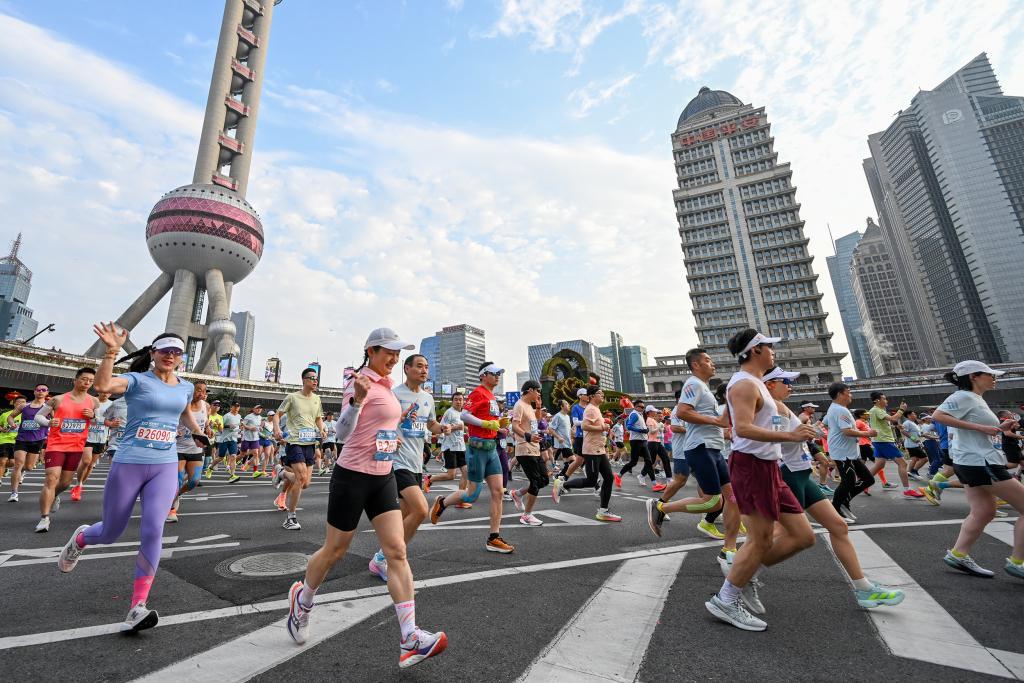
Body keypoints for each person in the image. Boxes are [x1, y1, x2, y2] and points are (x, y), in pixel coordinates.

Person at [285, 329, 447, 668]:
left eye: (397, 354)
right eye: (389, 352)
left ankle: (410, 637)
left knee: (397, 551)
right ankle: (303, 599)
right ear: (371, 350)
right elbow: (341, 433)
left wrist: (392, 438)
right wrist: (357, 401)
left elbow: (380, 428)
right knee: (335, 550)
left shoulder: (387, 387)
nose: (394, 359)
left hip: (383, 476)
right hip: (353, 477)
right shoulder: (358, 383)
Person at [57, 324, 199, 632]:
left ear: (180, 357)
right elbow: (103, 385)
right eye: (165, 351)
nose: (170, 356)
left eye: (175, 352)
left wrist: (198, 431)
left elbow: (184, 412)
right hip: (130, 461)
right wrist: (110, 352)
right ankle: (81, 538)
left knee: (153, 530)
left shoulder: (185, 386)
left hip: (164, 463)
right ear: (153, 354)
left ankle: (137, 606)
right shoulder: (136, 380)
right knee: (111, 531)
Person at [704, 329, 818, 632]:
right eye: (769, 347)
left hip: (769, 467)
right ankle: (726, 599)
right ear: (755, 350)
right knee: (761, 539)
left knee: (804, 536)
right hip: (751, 467)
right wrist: (789, 436)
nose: (773, 352)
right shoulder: (742, 384)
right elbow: (741, 428)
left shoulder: (757, 384)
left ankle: (746, 571)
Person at [769, 370, 905, 607]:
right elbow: (774, 439)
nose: (791, 386)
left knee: (838, 526)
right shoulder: (772, 408)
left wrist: (817, 452)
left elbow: (800, 439)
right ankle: (740, 573)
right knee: (783, 534)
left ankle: (863, 588)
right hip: (789, 474)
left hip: (802, 473)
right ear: (770, 384)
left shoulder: (783, 406)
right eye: (786, 382)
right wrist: (799, 434)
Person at [932, 361, 1024, 579]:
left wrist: (997, 428)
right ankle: (1018, 562)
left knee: (983, 511)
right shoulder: (963, 395)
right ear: (974, 376)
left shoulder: (975, 398)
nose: (994, 378)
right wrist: (980, 427)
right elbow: (938, 416)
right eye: (990, 374)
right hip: (980, 462)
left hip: (972, 460)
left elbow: (973, 427)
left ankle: (958, 554)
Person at [647, 348, 738, 553]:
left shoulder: (704, 388)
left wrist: (726, 430)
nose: (712, 363)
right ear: (696, 364)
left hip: (714, 448)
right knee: (713, 501)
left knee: (732, 498)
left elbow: (711, 421)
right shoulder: (693, 383)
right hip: (700, 447)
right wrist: (717, 421)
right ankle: (660, 507)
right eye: (708, 360)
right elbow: (683, 411)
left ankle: (729, 548)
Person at [368, 353, 448, 581]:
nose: (424, 371)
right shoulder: (394, 394)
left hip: (416, 463)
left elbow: (430, 424)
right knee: (421, 510)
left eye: (426, 367)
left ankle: (382, 558)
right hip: (397, 461)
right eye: (419, 366)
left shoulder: (428, 398)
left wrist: (443, 428)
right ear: (407, 368)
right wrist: (390, 440)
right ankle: (389, 559)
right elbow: (381, 422)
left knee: (403, 516)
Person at [429, 362, 514, 553]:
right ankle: (442, 502)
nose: (497, 376)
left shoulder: (492, 396)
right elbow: (465, 416)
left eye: (499, 373)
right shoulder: (478, 392)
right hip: (477, 449)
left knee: (498, 492)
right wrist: (487, 424)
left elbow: (489, 423)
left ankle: (494, 537)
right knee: (472, 495)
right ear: (483, 375)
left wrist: (499, 426)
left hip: (491, 449)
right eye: (494, 373)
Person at [33, 367, 100, 532]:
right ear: (75, 379)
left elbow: (97, 422)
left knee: (65, 483)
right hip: (56, 444)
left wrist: (92, 416)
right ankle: (44, 518)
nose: (87, 383)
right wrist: (48, 422)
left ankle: (54, 496)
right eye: (84, 379)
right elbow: (38, 416)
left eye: (91, 381)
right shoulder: (58, 399)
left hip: (76, 446)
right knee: (51, 478)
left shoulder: (93, 401)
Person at [555, 386, 621, 521]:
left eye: (602, 393)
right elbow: (584, 426)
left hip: (599, 449)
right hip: (591, 450)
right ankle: (563, 484)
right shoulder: (590, 409)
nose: (602, 395)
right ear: (591, 396)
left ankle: (603, 511)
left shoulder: (595, 409)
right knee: (591, 480)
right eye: (599, 393)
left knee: (608, 478)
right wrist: (602, 427)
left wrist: (604, 428)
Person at [273, 369, 326, 531]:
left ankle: (281, 473)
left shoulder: (317, 399)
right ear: (304, 380)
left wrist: (322, 429)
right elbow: (277, 414)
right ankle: (291, 517)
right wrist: (276, 429)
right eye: (312, 378)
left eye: (316, 379)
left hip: (310, 442)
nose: (315, 381)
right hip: (294, 441)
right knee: (300, 478)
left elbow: (318, 418)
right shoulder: (292, 397)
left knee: (305, 484)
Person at [824, 382, 876, 522]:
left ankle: (842, 503)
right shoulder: (841, 410)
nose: (850, 395)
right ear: (840, 394)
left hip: (847, 452)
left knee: (867, 479)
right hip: (843, 453)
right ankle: (835, 508)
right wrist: (868, 433)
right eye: (849, 392)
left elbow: (825, 423)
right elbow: (846, 431)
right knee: (848, 482)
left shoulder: (834, 408)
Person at [507, 380, 550, 526]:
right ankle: (526, 516)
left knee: (544, 480)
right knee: (536, 482)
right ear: (530, 390)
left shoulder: (529, 406)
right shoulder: (519, 405)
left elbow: (535, 421)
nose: (539, 394)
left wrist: (538, 407)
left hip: (535, 448)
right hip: (524, 448)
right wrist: (528, 436)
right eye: (538, 391)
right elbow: (514, 426)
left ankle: (517, 494)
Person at [167, 380, 210, 523]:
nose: (201, 393)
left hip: (195, 449)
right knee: (177, 480)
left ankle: (176, 494)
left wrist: (208, 430)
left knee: (194, 481)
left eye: (204, 391)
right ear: (191, 391)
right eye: (198, 390)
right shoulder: (181, 404)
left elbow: (206, 423)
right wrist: (174, 431)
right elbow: (168, 421)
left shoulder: (206, 406)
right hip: (178, 448)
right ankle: (171, 509)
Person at [867, 392, 923, 499]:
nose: (886, 401)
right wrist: (901, 409)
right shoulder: (876, 410)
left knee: (879, 465)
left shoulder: (877, 411)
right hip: (884, 441)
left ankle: (863, 484)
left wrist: (894, 427)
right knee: (902, 464)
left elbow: (884, 424)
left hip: (879, 440)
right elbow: (893, 418)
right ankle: (907, 490)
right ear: (877, 400)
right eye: (884, 399)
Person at [6, 383, 50, 502]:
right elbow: (10, 417)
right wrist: (12, 424)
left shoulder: (48, 407)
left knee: (29, 467)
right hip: (22, 439)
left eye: (43, 390)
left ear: (47, 393)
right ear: (34, 392)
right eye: (38, 389)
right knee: (18, 464)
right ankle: (14, 493)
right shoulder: (24, 406)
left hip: (38, 440)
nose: (40, 391)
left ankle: (22, 472)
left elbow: (57, 420)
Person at [72, 390, 114, 502]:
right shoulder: (91, 401)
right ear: (99, 392)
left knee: (91, 465)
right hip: (87, 435)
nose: (105, 394)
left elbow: (113, 421)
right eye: (103, 392)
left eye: (108, 393)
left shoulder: (112, 405)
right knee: (86, 461)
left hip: (101, 437)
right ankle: (78, 484)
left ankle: (79, 485)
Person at [432, 393, 469, 505]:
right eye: (456, 400)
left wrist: (465, 428)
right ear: (452, 401)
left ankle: (460, 500)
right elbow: (442, 428)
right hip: (450, 447)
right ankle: (430, 479)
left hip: (461, 447)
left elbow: (462, 428)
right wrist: (455, 427)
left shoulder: (462, 414)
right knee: (451, 475)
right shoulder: (449, 412)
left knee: (466, 473)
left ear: (463, 401)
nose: (458, 402)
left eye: (460, 400)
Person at [616, 399, 656, 487]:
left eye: (643, 407)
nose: (643, 408)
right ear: (635, 407)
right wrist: (641, 430)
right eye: (641, 407)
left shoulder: (640, 415)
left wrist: (646, 430)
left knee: (649, 461)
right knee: (634, 462)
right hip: (636, 441)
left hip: (643, 441)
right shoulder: (634, 414)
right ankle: (619, 475)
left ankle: (654, 483)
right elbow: (629, 426)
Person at [646, 405, 671, 492]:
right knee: (651, 462)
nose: (655, 412)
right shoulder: (649, 419)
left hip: (658, 442)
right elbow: (651, 431)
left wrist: (661, 428)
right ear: (649, 412)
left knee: (666, 458)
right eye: (654, 411)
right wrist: (659, 427)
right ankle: (653, 482)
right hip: (652, 442)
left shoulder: (653, 419)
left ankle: (669, 479)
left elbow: (658, 430)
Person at [0, 396, 25, 486]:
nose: (22, 404)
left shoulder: (27, 415)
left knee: (12, 462)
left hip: (19, 441)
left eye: (24, 402)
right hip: (4, 439)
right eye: (19, 402)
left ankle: (6, 468)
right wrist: (2, 429)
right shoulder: (5, 415)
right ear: (14, 403)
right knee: (2, 461)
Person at [240, 405, 264, 477]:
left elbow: (258, 427)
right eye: (257, 408)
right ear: (254, 409)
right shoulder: (248, 416)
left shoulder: (260, 418)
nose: (259, 409)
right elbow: (242, 424)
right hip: (246, 438)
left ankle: (255, 471)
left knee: (256, 453)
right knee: (242, 454)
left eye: (260, 408)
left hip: (255, 438)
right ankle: (231, 463)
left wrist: (260, 428)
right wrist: (250, 428)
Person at [203, 400, 223, 478]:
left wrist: (218, 424)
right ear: (211, 405)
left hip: (212, 439)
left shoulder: (220, 417)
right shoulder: (206, 414)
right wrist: (208, 425)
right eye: (215, 404)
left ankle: (199, 476)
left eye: (218, 405)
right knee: (198, 457)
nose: (217, 406)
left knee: (207, 459)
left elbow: (221, 430)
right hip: (202, 437)